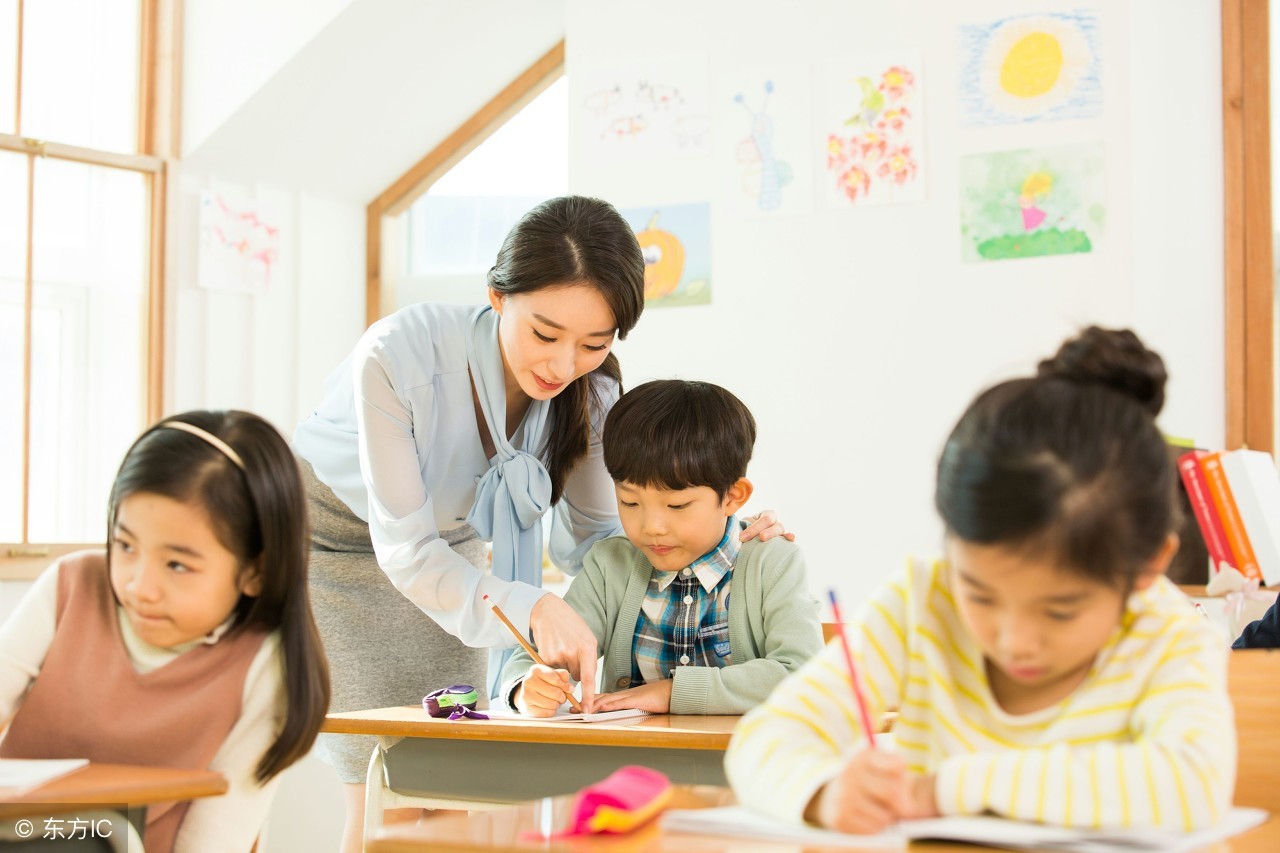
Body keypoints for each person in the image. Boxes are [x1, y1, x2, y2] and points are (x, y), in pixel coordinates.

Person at [291, 196, 789, 849]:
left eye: (594, 342)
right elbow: (406, 549)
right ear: (497, 296)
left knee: (448, 778)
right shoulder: (396, 356)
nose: (562, 365)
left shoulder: (595, 390)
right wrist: (529, 607)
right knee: (380, 783)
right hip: (336, 535)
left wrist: (719, 542)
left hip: (453, 545)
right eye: (545, 333)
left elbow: (603, 540)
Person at [726, 327, 1235, 834]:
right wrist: (824, 793)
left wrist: (947, 789)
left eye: (1059, 610)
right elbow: (766, 740)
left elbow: (1193, 784)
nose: (1014, 640)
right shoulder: (924, 600)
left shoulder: (1171, 638)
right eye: (980, 594)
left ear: (1148, 564)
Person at [0, 411, 330, 853]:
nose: (140, 586)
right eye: (125, 545)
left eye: (177, 565)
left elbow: (213, 840)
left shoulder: (268, 668)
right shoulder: (69, 586)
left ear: (256, 570)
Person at [499, 380, 822, 716]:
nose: (651, 527)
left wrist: (674, 692)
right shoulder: (611, 565)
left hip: (738, 762)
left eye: (677, 506)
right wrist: (527, 685)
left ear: (733, 496)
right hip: (628, 760)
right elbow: (535, 655)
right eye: (629, 501)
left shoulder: (772, 562)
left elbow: (804, 675)